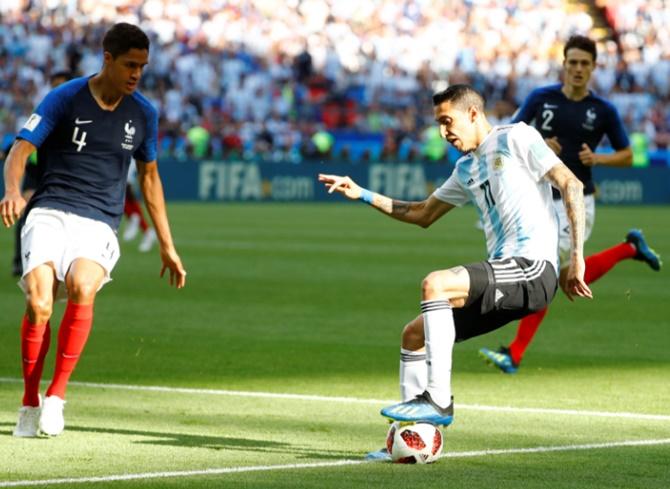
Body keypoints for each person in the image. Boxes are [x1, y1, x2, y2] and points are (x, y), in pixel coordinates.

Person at [319, 84, 591, 459]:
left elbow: (570, 183)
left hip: (533, 270)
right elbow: (421, 214)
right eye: (439, 124)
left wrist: (575, 254)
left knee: (436, 284)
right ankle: (411, 436)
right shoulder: (466, 168)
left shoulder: (516, 138)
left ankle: (438, 401)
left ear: (474, 114)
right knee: (414, 335)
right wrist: (362, 193)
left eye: (448, 121)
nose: (444, 132)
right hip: (505, 273)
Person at [1, 23, 187, 438]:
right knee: (40, 304)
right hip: (49, 209)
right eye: (129, 64)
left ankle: (56, 396)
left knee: (83, 287)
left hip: (99, 219)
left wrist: (167, 245)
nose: (137, 74)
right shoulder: (64, 98)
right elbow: (20, 149)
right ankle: (29, 401)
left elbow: (150, 180)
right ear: (107, 59)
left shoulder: (144, 114)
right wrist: (12, 190)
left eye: (142, 66)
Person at [479, 35, 662, 374]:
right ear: (564, 65)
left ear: (593, 68)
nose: (578, 69)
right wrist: (536, 141)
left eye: (584, 64)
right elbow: (508, 133)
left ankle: (515, 354)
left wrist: (599, 159)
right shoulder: (541, 98)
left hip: (577, 202)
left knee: (547, 274)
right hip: (537, 198)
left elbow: (628, 155)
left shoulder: (603, 110)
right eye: (572, 62)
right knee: (560, 278)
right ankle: (629, 248)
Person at [10, 71, 72, 277]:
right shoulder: (47, 107)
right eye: (54, 84)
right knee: (25, 213)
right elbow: (26, 137)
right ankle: (20, 260)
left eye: (61, 84)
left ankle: (61, 261)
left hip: (60, 172)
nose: (56, 88)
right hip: (36, 170)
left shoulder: (78, 113)